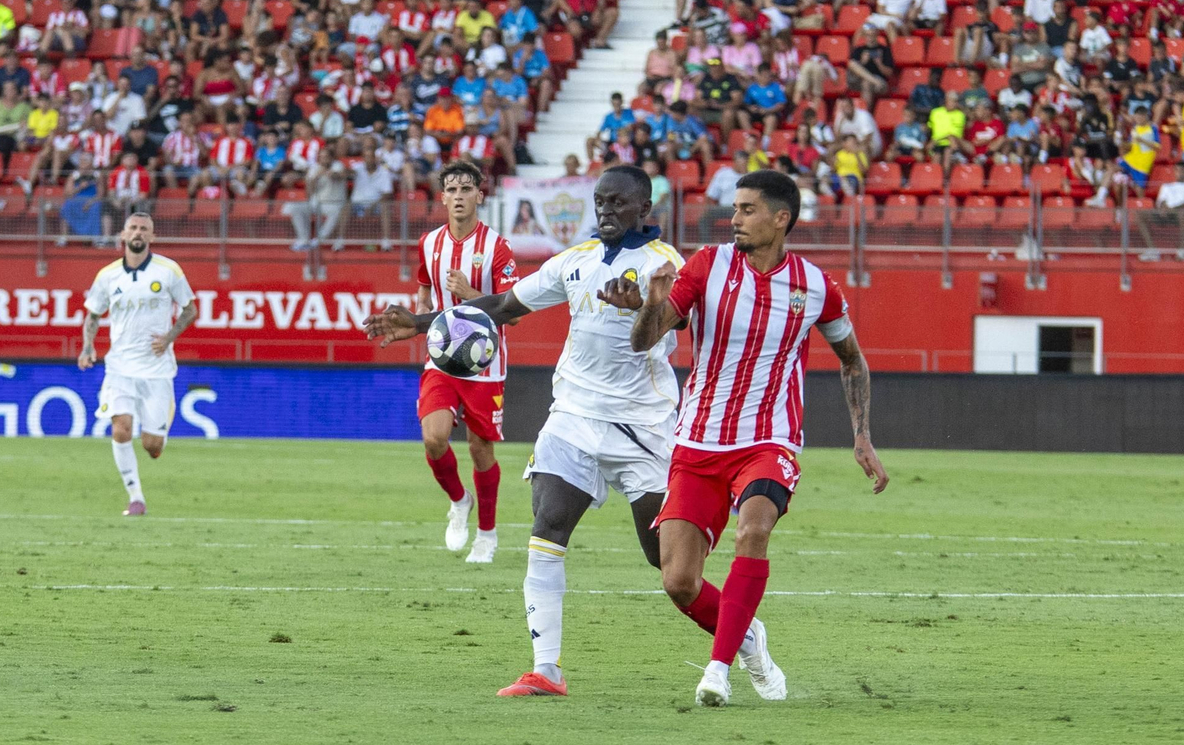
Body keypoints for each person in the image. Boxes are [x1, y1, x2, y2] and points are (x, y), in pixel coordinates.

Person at [367, 167, 735, 699]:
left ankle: (745, 638)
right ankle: (547, 669)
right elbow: (504, 306)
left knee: (668, 565)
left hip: (642, 427)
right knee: (547, 528)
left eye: (618, 203)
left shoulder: (667, 265)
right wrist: (424, 324)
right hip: (573, 417)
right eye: (600, 201)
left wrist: (650, 305)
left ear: (645, 209)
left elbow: (677, 319)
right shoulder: (576, 260)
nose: (605, 211)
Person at [600, 169, 888, 706]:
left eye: (747, 209)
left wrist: (862, 435)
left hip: (769, 441)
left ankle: (718, 670)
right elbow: (646, 340)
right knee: (678, 582)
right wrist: (647, 306)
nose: (734, 219)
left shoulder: (815, 286)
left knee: (752, 532)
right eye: (734, 209)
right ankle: (749, 636)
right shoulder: (706, 266)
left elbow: (852, 360)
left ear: (782, 218)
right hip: (697, 443)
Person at [413, 160, 518, 564]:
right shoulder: (429, 243)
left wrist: (472, 293)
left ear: (480, 195)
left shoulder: (497, 246)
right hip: (442, 359)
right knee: (433, 437)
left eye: (466, 189)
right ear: (442, 197)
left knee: (480, 449)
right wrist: (419, 312)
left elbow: (515, 309)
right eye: (451, 190)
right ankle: (459, 501)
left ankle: (487, 535)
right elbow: (424, 290)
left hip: (484, 363)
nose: (458, 197)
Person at [76, 212, 199, 516]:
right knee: (121, 430)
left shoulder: (168, 270)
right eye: (133, 227)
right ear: (123, 234)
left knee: (152, 446)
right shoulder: (107, 275)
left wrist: (169, 337)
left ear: (152, 237)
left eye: (144, 229)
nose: (138, 232)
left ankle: (159, 428)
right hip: (120, 368)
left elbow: (190, 309)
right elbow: (93, 315)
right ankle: (136, 498)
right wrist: (88, 347)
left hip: (156, 369)